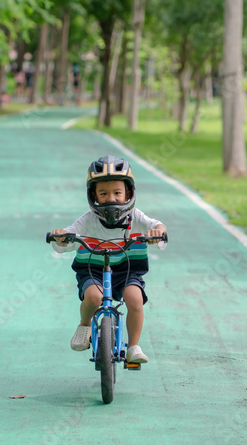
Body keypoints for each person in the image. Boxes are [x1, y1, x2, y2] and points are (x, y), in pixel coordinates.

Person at [51, 156, 167, 364]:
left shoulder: (136, 217)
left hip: (128, 270)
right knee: (94, 298)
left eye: (117, 193)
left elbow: (157, 225)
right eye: (103, 193)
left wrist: (157, 232)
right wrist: (61, 236)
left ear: (128, 193)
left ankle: (133, 347)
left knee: (135, 300)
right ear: (93, 195)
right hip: (92, 269)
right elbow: (68, 237)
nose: (110, 199)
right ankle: (85, 324)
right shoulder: (88, 220)